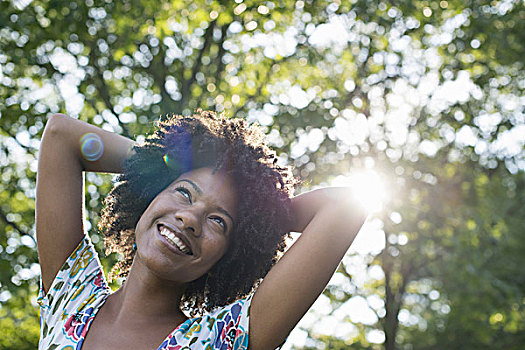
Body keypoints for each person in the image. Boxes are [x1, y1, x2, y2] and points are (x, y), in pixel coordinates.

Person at [36, 110, 367, 350]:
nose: (190, 218)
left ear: (227, 255)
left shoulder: (218, 341)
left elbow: (345, 207)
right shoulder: (71, 301)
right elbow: (60, 135)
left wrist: (259, 217)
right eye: (183, 192)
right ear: (149, 196)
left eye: (218, 222)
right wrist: (156, 162)